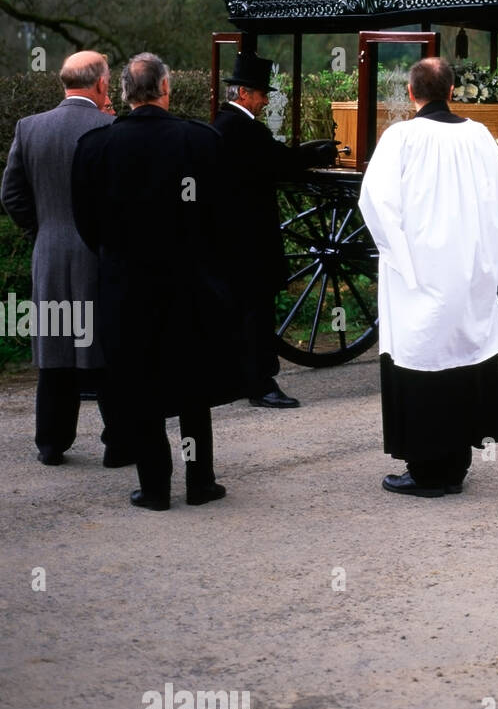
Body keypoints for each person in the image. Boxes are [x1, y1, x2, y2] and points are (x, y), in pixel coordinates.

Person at [71, 53, 246, 511]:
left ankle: (154, 486)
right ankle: (200, 481)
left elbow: (87, 224)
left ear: (124, 92)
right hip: (188, 283)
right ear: (166, 88)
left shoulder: (96, 147)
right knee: (191, 386)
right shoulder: (201, 141)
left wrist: (117, 259)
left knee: (138, 384)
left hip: (126, 284)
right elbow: (224, 218)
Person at [358, 57, 498, 498]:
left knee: (422, 359)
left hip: (418, 272)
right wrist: (496, 262)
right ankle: (455, 465)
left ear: (412, 94)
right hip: (468, 268)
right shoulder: (478, 136)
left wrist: (400, 257)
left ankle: (426, 470)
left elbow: (376, 203)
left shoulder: (400, 137)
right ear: (452, 91)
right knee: (464, 356)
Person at [0, 50, 131, 467]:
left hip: (51, 254)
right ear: (102, 84)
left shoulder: (30, 127)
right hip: (101, 255)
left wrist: (44, 231)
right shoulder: (113, 128)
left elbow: (12, 195)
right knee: (107, 352)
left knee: (55, 353)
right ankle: (119, 443)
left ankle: (51, 444)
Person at [211, 50, 336, 409]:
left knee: (241, 308)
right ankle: (261, 382)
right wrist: (319, 154)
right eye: (262, 93)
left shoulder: (221, 125)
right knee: (257, 310)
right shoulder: (245, 129)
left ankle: (239, 376)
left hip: (229, 235)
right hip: (250, 237)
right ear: (245, 94)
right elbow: (281, 163)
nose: (266, 100)